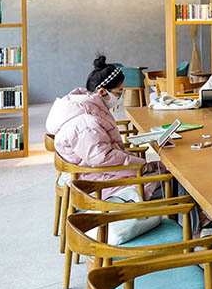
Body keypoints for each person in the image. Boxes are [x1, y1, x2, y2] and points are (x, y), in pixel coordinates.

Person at [46, 55, 164, 200]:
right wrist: (142, 165)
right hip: (97, 185)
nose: (120, 97)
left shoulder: (84, 107)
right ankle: (191, 219)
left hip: (96, 174)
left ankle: (191, 219)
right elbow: (102, 157)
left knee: (162, 170)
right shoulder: (86, 124)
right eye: (119, 92)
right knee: (173, 181)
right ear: (102, 91)